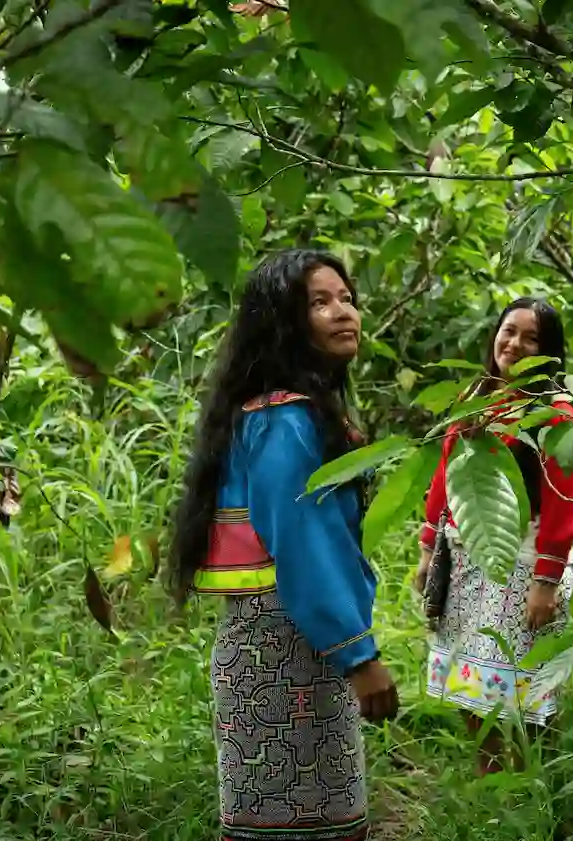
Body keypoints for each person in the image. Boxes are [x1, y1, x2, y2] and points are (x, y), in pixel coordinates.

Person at [169, 249, 397, 841]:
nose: (343, 312)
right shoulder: (284, 422)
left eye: (346, 298)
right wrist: (359, 656)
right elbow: (305, 544)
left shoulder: (285, 416)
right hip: (285, 650)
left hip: (288, 645)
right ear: (284, 323)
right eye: (319, 303)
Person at [413, 296, 573, 776]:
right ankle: (490, 782)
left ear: (548, 353)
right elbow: (447, 476)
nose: (514, 344)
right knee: (472, 682)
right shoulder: (477, 399)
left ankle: (536, 783)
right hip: (466, 560)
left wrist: (546, 581)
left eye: (531, 339)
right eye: (509, 331)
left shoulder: (556, 414)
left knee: (527, 687)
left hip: (523, 563)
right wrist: (428, 551)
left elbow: (564, 500)